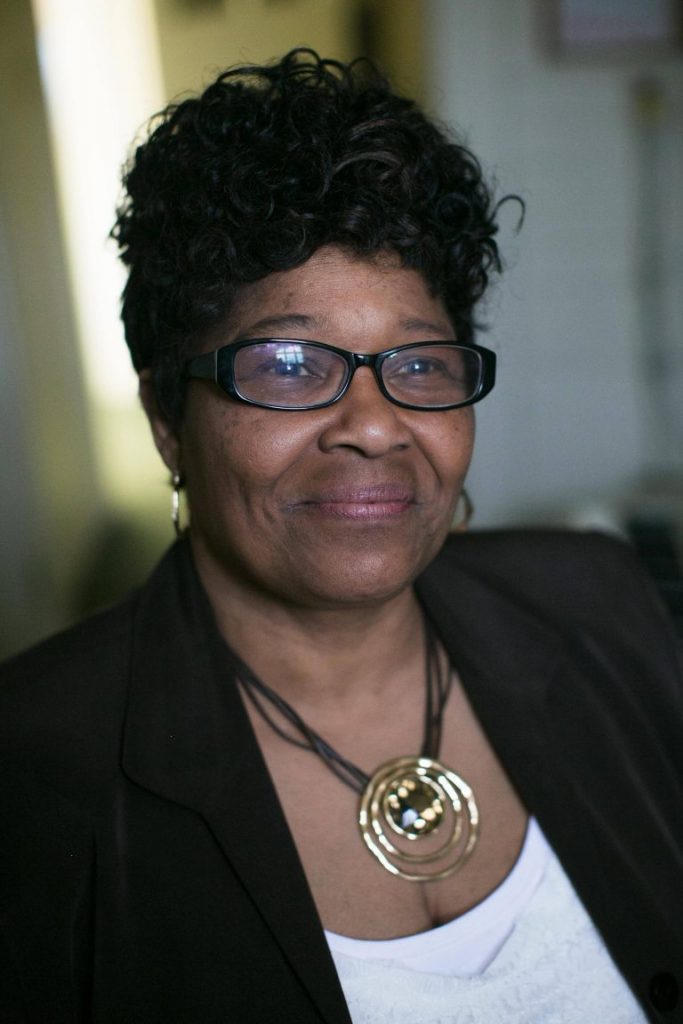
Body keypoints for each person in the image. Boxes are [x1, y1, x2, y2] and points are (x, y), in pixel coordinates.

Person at [0, 49, 681, 1024]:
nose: (373, 424)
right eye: (287, 364)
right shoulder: (32, 765)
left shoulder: (599, 602)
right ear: (167, 420)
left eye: (420, 362)